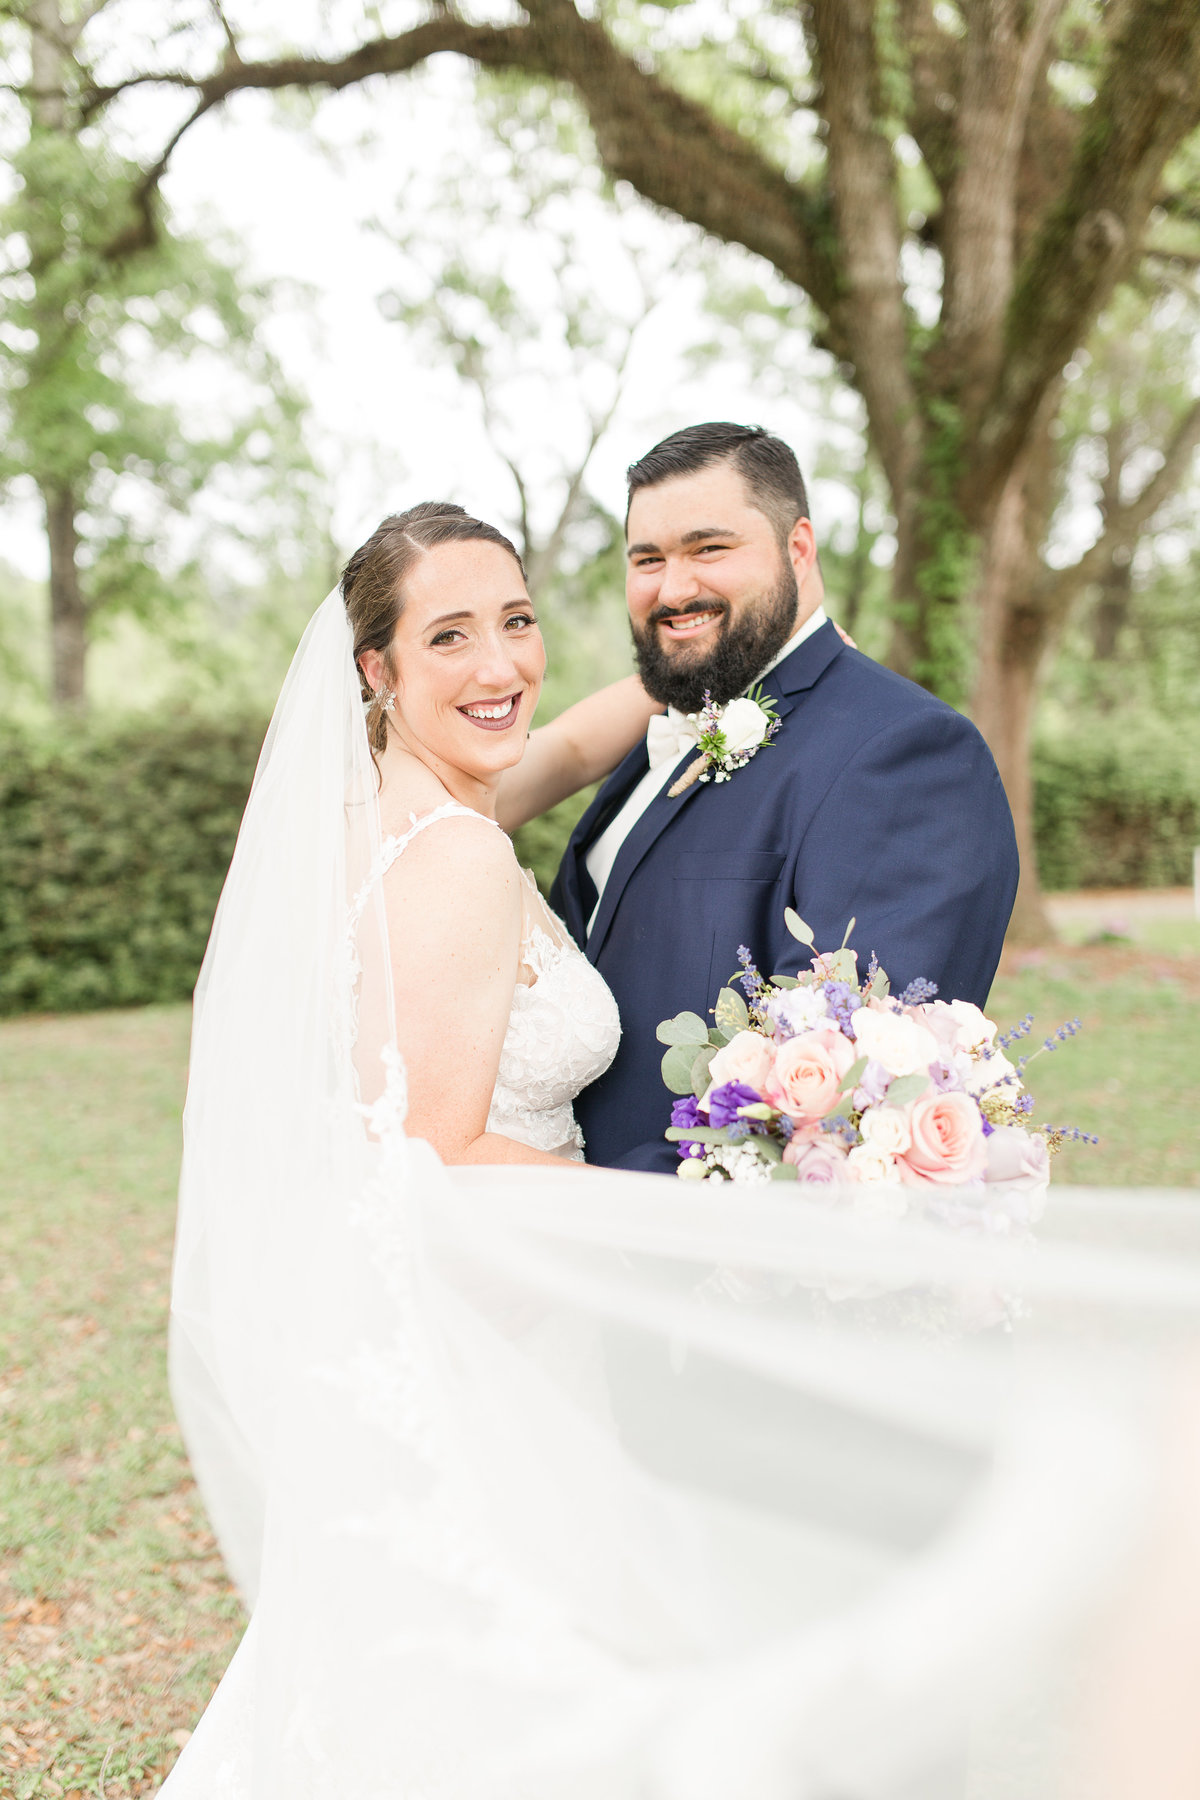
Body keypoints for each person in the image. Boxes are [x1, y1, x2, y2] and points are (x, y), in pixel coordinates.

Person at [162, 495, 1200, 1800]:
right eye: (450, 638)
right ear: (375, 668)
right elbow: (427, 1158)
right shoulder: (459, 863)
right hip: (483, 1360)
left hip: (464, 1343)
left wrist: (732, 654)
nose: (500, 668)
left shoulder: (408, 810)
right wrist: (707, 1207)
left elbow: (582, 726)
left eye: (520, 622)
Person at [551, 422, 1019, 1172]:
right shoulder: (665, 735)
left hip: (676, 1262)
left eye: (709, 548)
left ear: (798, 550)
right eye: (648, 559)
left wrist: (572, 1207)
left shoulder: (907, 756)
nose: (673, 588)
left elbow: (843, 1108)